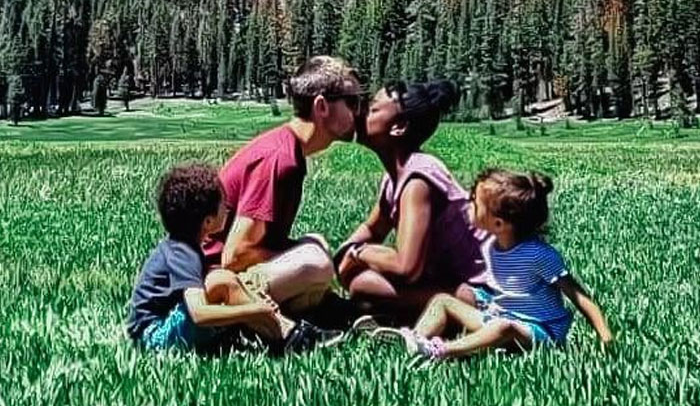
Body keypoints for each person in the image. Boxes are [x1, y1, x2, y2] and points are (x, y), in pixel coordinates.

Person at [366, 167, 612, 360]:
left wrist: (605, 337)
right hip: (501, 316)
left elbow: (579, 297)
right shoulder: (491, 248)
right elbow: (505, 289)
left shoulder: (540, 255)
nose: (468, 203)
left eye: (475, 202)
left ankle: (441, 351)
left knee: (504, 327)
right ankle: (414, 341)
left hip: (542, 332)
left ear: (499, 224)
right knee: (443, 301)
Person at [202, 56, 362, 320]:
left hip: (224, 271)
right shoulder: (280, 158)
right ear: (321, 106)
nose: (358, 112)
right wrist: (303, 259)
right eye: (352, 102)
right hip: (214, 278)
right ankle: (246, 315)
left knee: (316, 245)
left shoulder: (289, 151)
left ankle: (316, 309)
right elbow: (235, 254)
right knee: (317, 262)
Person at [126, 161, 343, 354]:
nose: (228, 209)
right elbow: (198, 313)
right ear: (208, 222)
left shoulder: (183, 246)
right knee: (222, 281)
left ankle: (283, 332)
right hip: (153, 338)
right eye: (224, 205)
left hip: (162, 328)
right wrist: (252, 311)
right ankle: (289, 336)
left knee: (222, 279)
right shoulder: (182, 253)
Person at [336, 79, 486, 322]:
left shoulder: (418, 180)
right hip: (446, 280)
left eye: (373, 109)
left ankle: (453, 315)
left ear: (399, 126)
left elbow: (407, 268)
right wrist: (340, 254)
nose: (361, 113)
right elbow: (373, 227)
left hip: (481, 292)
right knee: (361, 280)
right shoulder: (396, 176)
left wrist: (357, 254)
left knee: (363, 285)